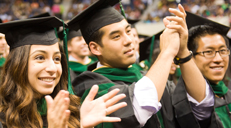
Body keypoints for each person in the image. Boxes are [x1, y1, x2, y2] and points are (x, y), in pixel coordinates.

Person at [69, 0, 209, 128]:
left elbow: (201, 106)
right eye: (116, 36)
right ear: (95, 48)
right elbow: (137, 110)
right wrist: (167, 52)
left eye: (128, 31)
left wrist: (183, 51)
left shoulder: (148, 77)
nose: (129, 40)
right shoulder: (90, 87)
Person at [0, 16, 127, 128]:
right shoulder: (3, 118)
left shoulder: (71, 110)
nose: (52, 68)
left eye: (57, 59)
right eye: (40, 58)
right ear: (17, 64)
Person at [172, 11, 230, 128]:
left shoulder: (227, 93)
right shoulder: (189, 99)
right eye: (208, 52)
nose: (218, 59)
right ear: (191, 57)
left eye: (223, 51)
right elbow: (202, 103)